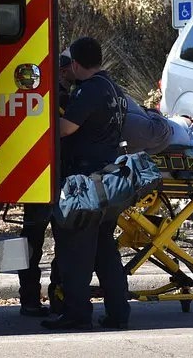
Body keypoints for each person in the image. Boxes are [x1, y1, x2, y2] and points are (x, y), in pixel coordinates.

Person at [41, 37, 131, 330]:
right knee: (105, 251)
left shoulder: (89, 90)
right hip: (108, 182)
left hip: (85, 185)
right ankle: (118, 313)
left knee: (75, 253)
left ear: (77, 64)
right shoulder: (112, 88)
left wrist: (41, 117)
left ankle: (77, 315)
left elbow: (66, 129)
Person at [18, 49, 76, 317]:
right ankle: (58, 297)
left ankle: (29, 299)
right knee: (64, 242)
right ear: (63, 71)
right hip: (61, 179)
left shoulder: (38, 99)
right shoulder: (67, 100)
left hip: (37, 180)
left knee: (32, 243)